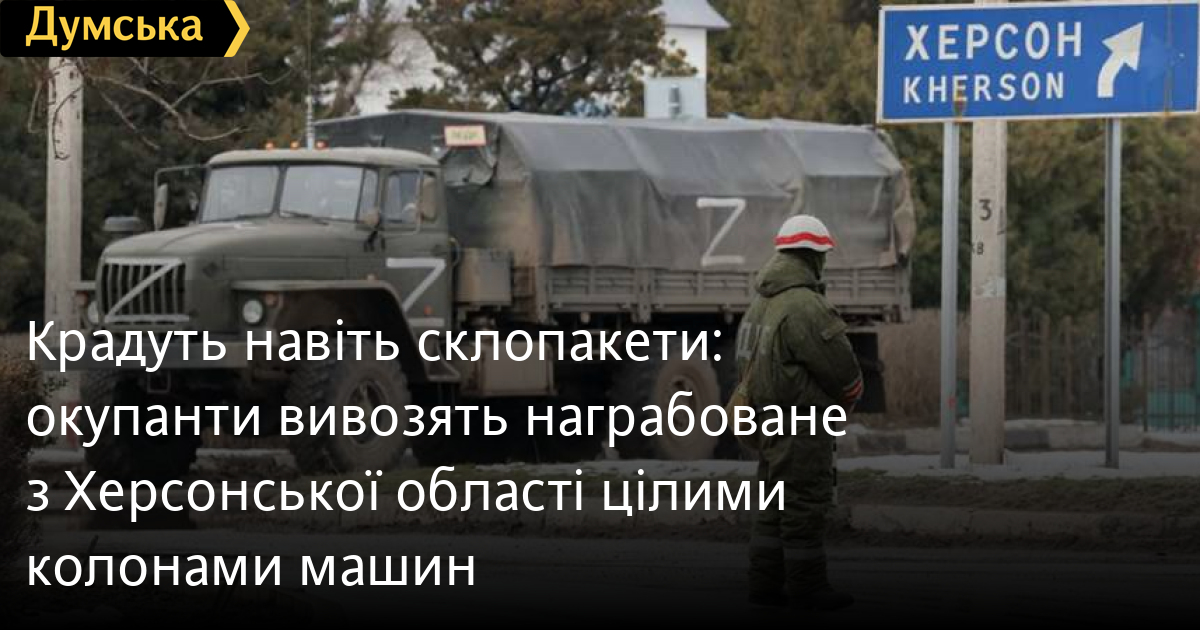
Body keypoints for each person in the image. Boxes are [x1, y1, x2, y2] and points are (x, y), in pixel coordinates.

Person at [736, 214, 864, 611]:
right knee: (803, 503)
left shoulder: (759, 304)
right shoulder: (806, 306)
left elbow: (743, 366)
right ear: (813, 257)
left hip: (766, 423)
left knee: (771, 506)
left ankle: (764, 585)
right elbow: (844, 373)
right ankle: (808, 588)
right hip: (800, 426)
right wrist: (844, 403)